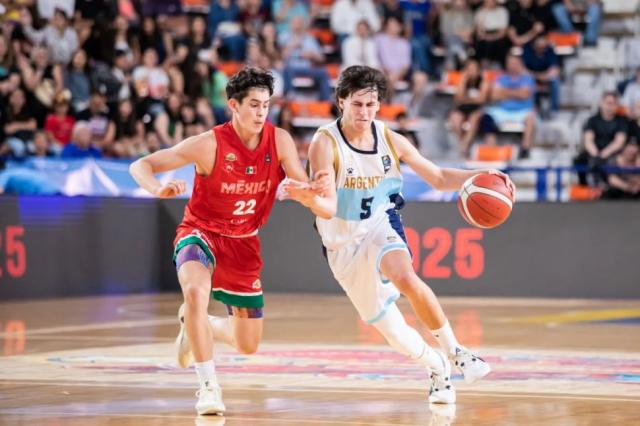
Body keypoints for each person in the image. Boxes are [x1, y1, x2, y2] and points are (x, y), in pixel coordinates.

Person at [129, 67, 335, 415]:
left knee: (248, 344)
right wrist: (157, 188)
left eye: (265, 105)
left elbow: (306, 191)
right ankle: (208, 387)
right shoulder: (208, 144)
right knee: (196, 293)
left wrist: (310, 191)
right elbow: (141, 165)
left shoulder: (279, 141)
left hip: (243, 242)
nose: (260, 112)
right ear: (234, 106)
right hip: (201, 233)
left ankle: (197, 325)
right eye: (253, 104)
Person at [306, 65, 515, 405]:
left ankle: (456, 351)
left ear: (379, 104)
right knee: (394, 333)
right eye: (357, 104)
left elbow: (438, 177)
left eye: (371, 104)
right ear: (341, 101)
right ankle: (436, 366)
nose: (364, 112)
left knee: (405, 276)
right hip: (342, 244)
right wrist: (308, 197)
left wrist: (483, 174)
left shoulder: (390, 139)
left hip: (380, 222)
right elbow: (326, 205)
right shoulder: (324, 143)